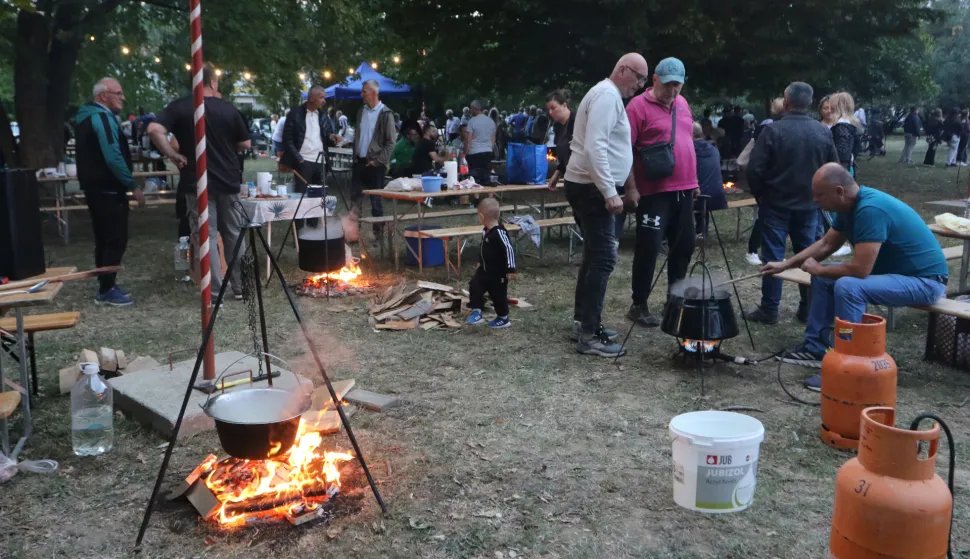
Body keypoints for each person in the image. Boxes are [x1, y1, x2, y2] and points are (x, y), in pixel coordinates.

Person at [764, 164, 947, 389]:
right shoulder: (849, 207)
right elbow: (827, 243)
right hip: (898, 276)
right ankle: (815, 348)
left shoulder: (870, 209)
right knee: (825, 278)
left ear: (839, 191)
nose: (815, 200)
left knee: (849, 286)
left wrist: (820, 269)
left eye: (819, 195)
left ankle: (850, 366)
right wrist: (785, 264)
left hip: (926, 282)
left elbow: (861, 269)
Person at [564, 52, 646, 357]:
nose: (639, 86)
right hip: (591, 188)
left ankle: (583, 321)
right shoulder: (607, 96)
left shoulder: (606, 94)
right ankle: (589, 334)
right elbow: (595, 146)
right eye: (638, 78)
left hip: (588, 185)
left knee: (594, 256)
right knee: (603, 259)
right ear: (622, 70)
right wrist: (610, 191)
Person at [148, 63, 251, 302]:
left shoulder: (181, 107)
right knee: (234, 233)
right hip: (228, 179)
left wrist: (171, 154)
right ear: (213, 82)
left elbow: (154, 129)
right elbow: (245, 144)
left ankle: (214, 292)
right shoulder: (228, 109)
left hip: (196, 182)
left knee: (206, 236)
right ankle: (241, 287)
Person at [743, 81, 839, 325]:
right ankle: (807, 308)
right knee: (808, 256)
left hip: (775, 203)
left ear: (786, 102)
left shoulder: (773, 131)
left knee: (773, 256)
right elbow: (833, 168)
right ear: (810, 104)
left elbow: (754, 168)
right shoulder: (822, 132)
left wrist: (760, 194)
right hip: (809, 205)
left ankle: (770, 309)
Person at [623, 57, 699, 327]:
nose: (673, 90)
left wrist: (695, 181)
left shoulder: (682, 103)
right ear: (655, 79)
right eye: (668, 85)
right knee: (649, 247)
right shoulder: (637, 107)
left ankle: (674, 299)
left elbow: (687, 141)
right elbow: (626, 150)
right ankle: (639, 303)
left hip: (684, 189)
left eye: (678, 85)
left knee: (684, 247)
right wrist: (631, 187)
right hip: (654, 193)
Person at [75, 78, 145, 306]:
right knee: (114, 238)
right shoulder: (101, 118)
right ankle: (106, 289)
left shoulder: (86, 117)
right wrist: (131, 185)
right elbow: (112, 155)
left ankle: (106, 285)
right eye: (118, 93)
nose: (122, 97)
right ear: (103, 96)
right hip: (107, 188)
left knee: (104, 238)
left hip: (95, 187)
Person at [465, 198, 517, 329]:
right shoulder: (486, 230)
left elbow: (508, 249)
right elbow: (485, 249)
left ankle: (503, 318)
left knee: (498, 295)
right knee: (475, 286)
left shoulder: (499, 232)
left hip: (497, 273)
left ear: (481, 216)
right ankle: (476, 311)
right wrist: (480, 261)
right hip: (484, 270)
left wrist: (510, 269)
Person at [746, 97, 786, 267]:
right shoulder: (768, 127)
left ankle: (770, 253)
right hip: (770, 182)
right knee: (764, 219)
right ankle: (753, 250)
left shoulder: (774, 126)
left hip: (776, 182)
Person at [351, 79, 395, 234]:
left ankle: (378, 236)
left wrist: (378, 161)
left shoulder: (386, 113)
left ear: (374, 93)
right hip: (359, 162)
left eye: (364, 92)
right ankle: (353, 234)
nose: (361, 94)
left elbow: (391, 142)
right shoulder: (361, 112)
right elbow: (358, 136)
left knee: (376, 202)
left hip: (375, 165)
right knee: (355, 201)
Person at [282, 85, 338, 194]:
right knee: (301, 196)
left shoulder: (322, 116)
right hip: (303, 160)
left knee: (320, 198)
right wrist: (299, 158)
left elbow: (326, 135)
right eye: (321, 97)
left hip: (321, 161)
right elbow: (287, 139)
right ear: (312, 98)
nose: (324, 101)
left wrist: (332, 137)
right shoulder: (294, 114)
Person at [692, 122, 726, 237]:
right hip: (718, 196)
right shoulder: (713, 148)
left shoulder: (690, 149)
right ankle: (702, 231)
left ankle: (668, 236)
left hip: (699, 197)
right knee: (703, 186)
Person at [545, 90, 574, 192]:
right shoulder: (558, 127)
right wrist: (556, 175)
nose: (550, 112)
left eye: (553, 108)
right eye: (549, 109)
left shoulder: (578, 122)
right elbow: (564, 156)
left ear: (564, 105)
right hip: (570, 180)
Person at [463, 100, 496, 184]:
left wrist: (465, 154)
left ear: (475, 109)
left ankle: (476, 196)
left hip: (474, 153)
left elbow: (468, 141)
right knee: (488, 176)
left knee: (474, 178)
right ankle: (490, 195)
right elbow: (493, 141)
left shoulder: (471, 122)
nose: (470, 110)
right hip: (487, 152)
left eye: (471, 108)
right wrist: (489, 150)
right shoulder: (491, 122)